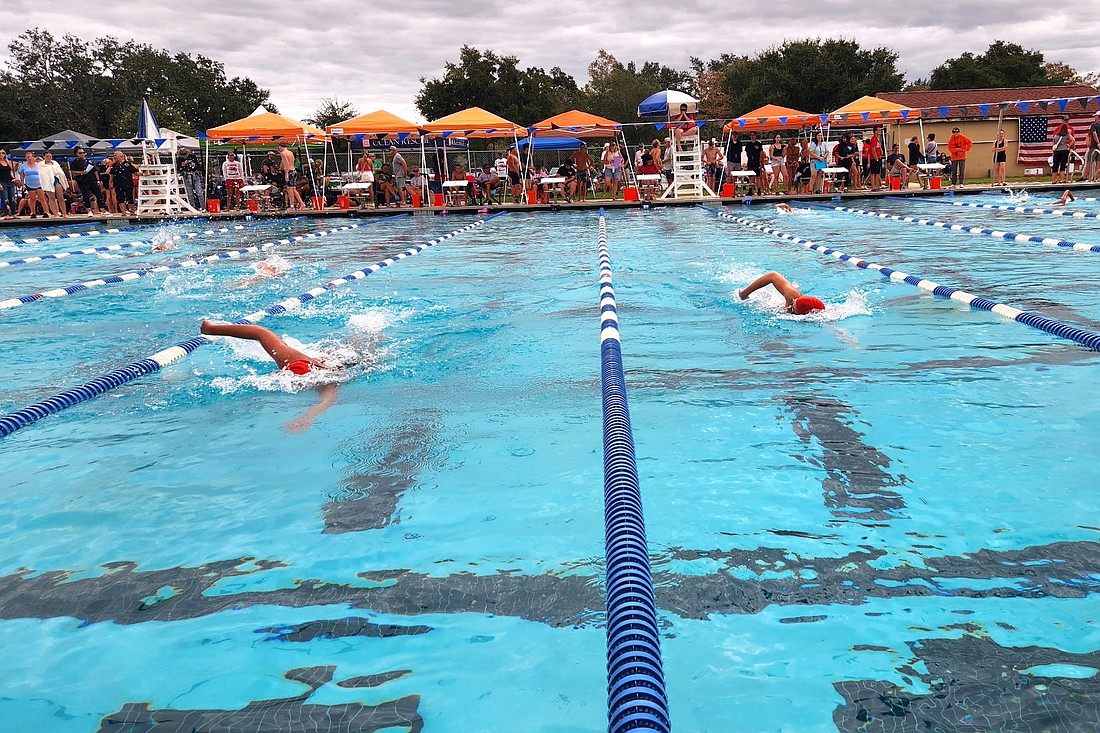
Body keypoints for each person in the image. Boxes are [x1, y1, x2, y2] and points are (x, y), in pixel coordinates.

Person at [738, 271, 825, 315]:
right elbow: (772, 275)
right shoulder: (792, 296)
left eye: (792, 309)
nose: (788, 307)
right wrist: (744, 294)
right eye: (792, 304)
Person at [68, 147, 102, 216]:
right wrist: (81, 172)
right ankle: (89, 210)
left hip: (92, 180)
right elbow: (72, 172)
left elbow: (95, 171)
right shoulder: (75, 163)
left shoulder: (89, 161)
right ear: (77, 154)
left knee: (99, 194)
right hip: (82, 181)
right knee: (86, 195)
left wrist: (98, 180)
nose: (83, 154)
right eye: (80, 153)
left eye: (83, 153)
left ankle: (102, 208)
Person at [17, 152, 51, 218]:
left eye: (29, 157)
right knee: (32, 199)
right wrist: (22, 183)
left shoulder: (38, 165)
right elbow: (22, 176)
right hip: (29, 184)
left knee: (42, 198)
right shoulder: (23, 166)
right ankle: (33, 212)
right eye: (27, 157)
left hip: (39, 183)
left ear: (33, 157)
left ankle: (46, 212)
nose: (28, 158)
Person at [38, 152, 69, 218]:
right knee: (51, 198)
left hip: (56, 179)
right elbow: (42, 174)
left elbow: (60, 172)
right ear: (44, 157)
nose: (49, 158)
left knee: (61, 198)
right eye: (47, 156)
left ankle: (64, 213)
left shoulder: (55, 163)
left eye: (50, 156)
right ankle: (55, 214)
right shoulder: (41, 165)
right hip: (48, 181)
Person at [109, 151, 137, 216]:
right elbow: (112, 175)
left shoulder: (127, 164)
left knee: (129, 197)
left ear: (121, 156)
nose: (114, 157)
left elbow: (135, 172)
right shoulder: (114, 165)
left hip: (128, 183)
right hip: (118, 184)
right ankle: (123, 212)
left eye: (116, 155)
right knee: (120, 198)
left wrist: (143, 174)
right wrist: (110, 183)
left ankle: (132, 211)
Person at [744, 131, 764, 195]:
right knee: (751, 177)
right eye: (751, 135)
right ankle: (750, 190)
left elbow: (761, 153)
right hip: (750, 161)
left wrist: (760, 161)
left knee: (758, 176)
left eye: (753, 135)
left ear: (755, 136)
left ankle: (758, 190)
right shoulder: (748, 144)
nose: (752, 136)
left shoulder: (758, 144)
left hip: (757, 162)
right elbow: (747, 154)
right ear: (750, 136)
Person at [0, 148, 17, 219]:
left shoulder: (7, 162)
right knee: (5, 199)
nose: (1, 154)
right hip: (3, 182)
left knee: (12, 199)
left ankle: (13, 213)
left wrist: (14, 178)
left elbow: (11, 171)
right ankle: (6, 214)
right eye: (0, 153)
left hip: (10, 181)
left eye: (3, 153)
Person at [1085, 112, 1100, 182]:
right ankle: (1096, 177)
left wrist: (1098, 143)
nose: (1094, 117)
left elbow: (1094, 134)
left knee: (1089, 161)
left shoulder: (1094, 125)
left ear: (1098, 117)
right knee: (1098, 162)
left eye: (1095, 116)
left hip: (1094, 146)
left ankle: (1086, 176)